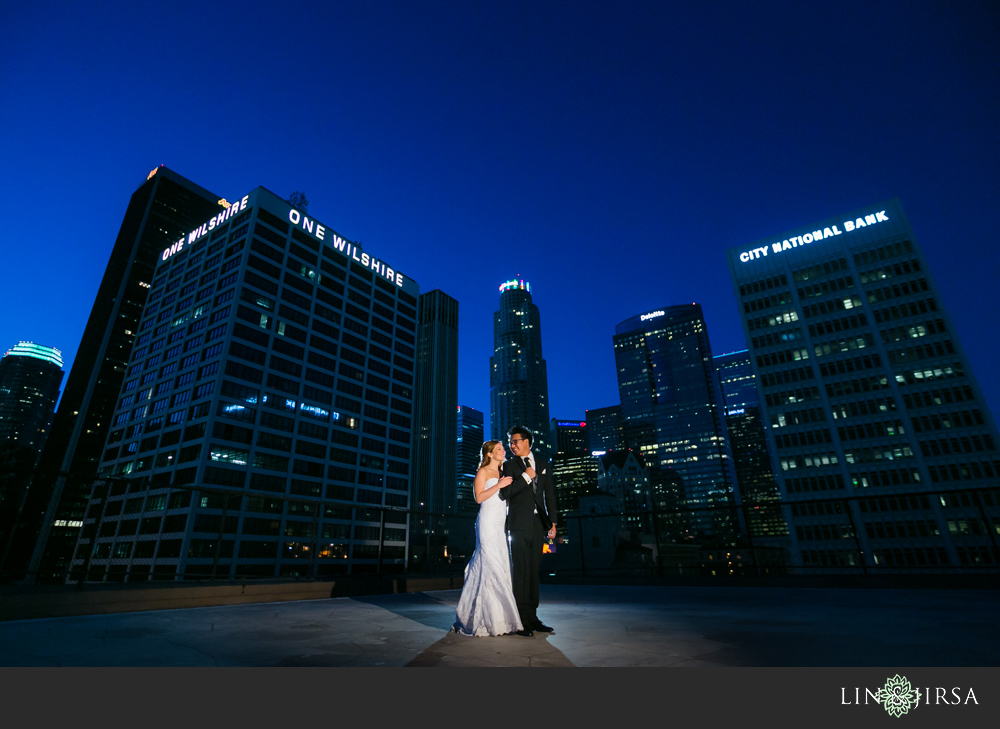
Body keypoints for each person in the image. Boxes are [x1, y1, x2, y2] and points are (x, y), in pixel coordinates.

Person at [452, 441, 522, 637]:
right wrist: (499, 485)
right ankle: (482, 619)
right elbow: (479, 497)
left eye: (503, 449)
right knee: (490, 563)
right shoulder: (483, 472)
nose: (503, 451)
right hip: (487, 522)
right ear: (489, 454)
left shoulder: (503, 473)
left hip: (500, 524)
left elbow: (504, 500)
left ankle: (500, 619)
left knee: (500, 564)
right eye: (499, 449)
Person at [498, 425, 557, 636]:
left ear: (526, 442)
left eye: (515, 441)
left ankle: (533, 618)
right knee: (521, 571)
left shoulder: (542, 464)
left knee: (534, 571)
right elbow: (505, 493)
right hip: (517, 524)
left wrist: (553, 522)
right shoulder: (509, 466)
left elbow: (549, 495)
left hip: (537, 525)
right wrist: (526, 477)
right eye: (510, 442)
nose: (511, 445)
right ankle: (521, 620)